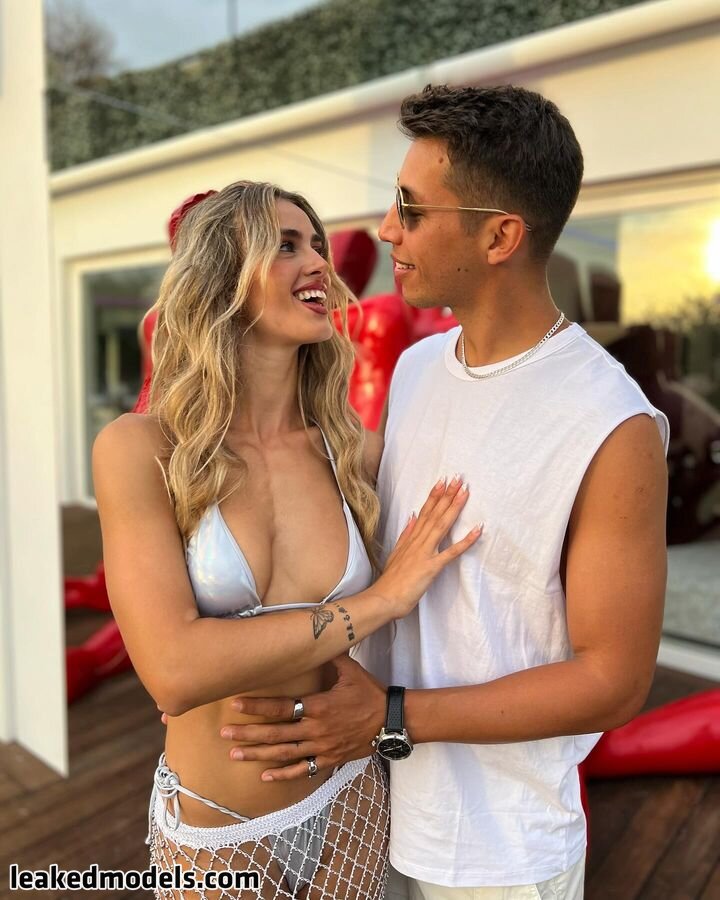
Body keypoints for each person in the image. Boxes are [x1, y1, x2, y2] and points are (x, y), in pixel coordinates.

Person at [214, 86, 670, 900]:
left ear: (499, 236)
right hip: (365, 810)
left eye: (411, 209)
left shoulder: (612, 424)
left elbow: (615, 680)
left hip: (498, 851)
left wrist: (390, 717)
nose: (387, 229)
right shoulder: (419, 368)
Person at [92, 180, 481, 900]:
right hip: (215, 824)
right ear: (221, 277)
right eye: (285, 245)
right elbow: (173, 668)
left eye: (318, 246)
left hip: (351, 799)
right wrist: (379, 601)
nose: (319, 265)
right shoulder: (143, 450)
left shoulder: (353, 454)